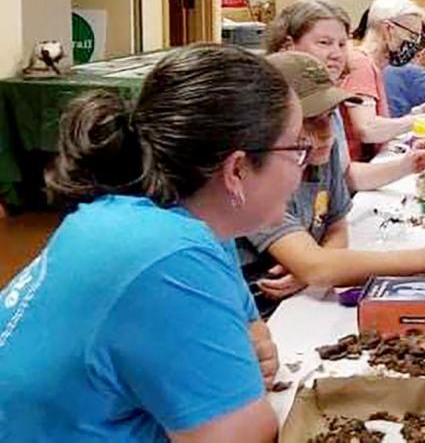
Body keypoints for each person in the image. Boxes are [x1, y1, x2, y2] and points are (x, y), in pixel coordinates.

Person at [0, 44, 304, 442]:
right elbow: (244, 436)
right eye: (296, 147)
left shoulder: (175, 219)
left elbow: (255, 337)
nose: (305, 163)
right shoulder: (170, 255)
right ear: (237, 169)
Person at [236, 52, 425, 317]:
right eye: (311, 119)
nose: (326, 131)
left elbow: (337, 227)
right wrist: (424, 259)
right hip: (261, 312)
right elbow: (316, 267)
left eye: (330, 116)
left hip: (304, 297)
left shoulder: (323, 153)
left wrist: (314, 266)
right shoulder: (258, 178)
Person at [266, 0, 425, 190]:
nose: (336, 54)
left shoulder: (329, 102)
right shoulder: (272, 107)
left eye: (342, 44)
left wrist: (410, 164)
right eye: (324, 43)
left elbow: (342, 175)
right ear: (288, 46)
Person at [340, 0, 425, 161]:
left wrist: (414, 115)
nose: (413, 46)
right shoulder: (361, 65)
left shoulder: (372, 65)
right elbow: (367, 129)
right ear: (388, 29)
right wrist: (423, 120)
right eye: (411, 37)